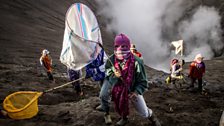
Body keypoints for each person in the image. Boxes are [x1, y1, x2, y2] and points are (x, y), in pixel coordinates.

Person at [102, 33, 161, 126]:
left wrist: (136, 92)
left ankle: (152, 116)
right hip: (119, 90)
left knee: (144, 112)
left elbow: (143, 81)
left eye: (123, 46)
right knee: (121, 105)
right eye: (117, 46)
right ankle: (124, 118)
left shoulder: (137, 62)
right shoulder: (111, 60)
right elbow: (108, 73)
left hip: (132, 90)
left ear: (128, 47)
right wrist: (114, 75)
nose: (120, 49)